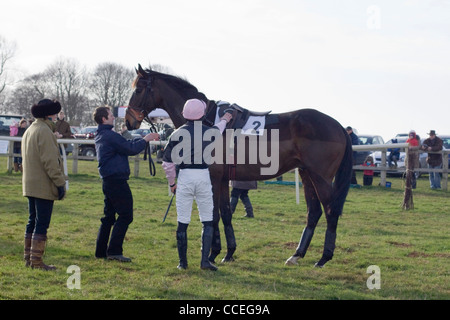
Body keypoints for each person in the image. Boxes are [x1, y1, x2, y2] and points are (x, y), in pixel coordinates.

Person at [162, 98, 232, 271]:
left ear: (185, 114)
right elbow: (219, 127)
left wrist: (172, 183)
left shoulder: (176, 133)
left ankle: (182, 263)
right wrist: (226, 118)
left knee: (182, 222)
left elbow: (167, 163)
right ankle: (204, 261)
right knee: (207, 220)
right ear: (202, 114)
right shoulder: (210, 132)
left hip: (184, 177)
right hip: (202, 176)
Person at [93, 106, 159, 262]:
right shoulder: (110, 135)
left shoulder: (103, 135)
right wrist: (146, 139)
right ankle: (114, 251)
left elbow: (126, 144)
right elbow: (130, 148)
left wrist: (142, 140)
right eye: (110, 115)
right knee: (125, 215)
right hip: (117, 180)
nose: (113, 117)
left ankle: (101, 250)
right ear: (104, 119)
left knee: (108, 217)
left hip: (108, 180)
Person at [21, 99, 67, 270]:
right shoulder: (45, 131)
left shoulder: (30, 129)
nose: (56, 117)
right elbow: (50, 162)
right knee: (42, 223)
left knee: (32, 220)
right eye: (54, 114)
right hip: (42, 185)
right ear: (49, 114)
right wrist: (60, 183)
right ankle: (37, 262)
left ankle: (29, 258)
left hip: (30, 184)